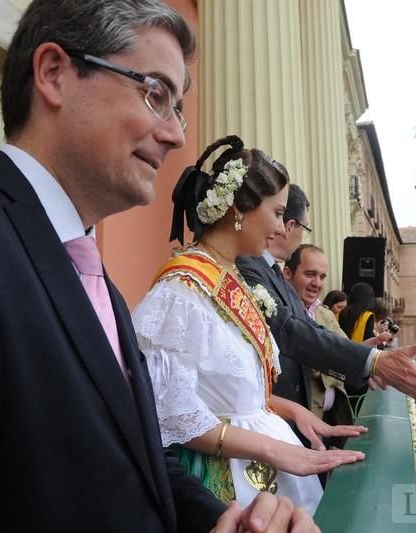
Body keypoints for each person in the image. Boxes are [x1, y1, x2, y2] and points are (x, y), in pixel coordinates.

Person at [0, 2, 316, 531]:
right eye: (156, 93)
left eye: (178, 108)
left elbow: (136, 459)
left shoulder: (98, 283)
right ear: (54, 74)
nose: (177, 135)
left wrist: (221, 521)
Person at [134, 136, 366, 514]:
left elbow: (231, 390)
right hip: (223, 485)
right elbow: (170, 411)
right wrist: (276, 449)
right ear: (240, 208)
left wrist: (293, 412)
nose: (280, 227)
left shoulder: (232, 276)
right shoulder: (182, 291)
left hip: (270, 464)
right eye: (276, 213)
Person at [235, 186, 416, 423]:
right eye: (277, 214)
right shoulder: (246, 265)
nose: (277, 227)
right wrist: (372, 361)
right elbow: (289, 330)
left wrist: (363, 359)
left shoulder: (272, 272)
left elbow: (309, 327)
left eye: (322, 277)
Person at [283, 244, 355, 444]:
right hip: (297, 431)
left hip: (332, 421)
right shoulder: (280, 313)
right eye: (310, 274)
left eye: (322, 277)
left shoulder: (325, 314)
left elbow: (346, 351)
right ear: (287, 273)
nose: (317, 283)